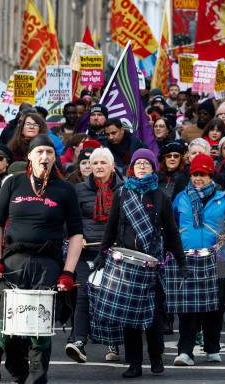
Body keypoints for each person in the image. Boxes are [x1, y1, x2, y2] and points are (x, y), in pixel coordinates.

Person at [0, 134, 84, 383]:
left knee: (38, 329)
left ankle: (37, 377)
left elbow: (75, 234)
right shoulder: (13, 183)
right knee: (3, 331)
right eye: (40, 152)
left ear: (55, 158)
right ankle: (18, 372)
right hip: (12, 262)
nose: (45, 157)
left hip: (47, 264)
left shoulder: (65, 190)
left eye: (50, 153)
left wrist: (68, 272)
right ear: (30, 156)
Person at [93, 149, 188, 378]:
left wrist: (181, 261)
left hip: (152, 263)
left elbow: (172, 232)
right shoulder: (122, 193)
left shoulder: (161, 196)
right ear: (132, 168)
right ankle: (134, 363)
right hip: (126, 263)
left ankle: (156, 358)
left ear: (153, 167)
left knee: (153, 316)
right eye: (138, 164)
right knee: (129, 317)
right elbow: (112, 226)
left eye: (146, 163)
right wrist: (102, 253)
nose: (142, 167)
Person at [171, 153, 225, 366]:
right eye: (194, 174)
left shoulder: (223, 198)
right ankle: (185, 352)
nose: (198, 178)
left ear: (211, 175)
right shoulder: (181, 198)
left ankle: (212, 348)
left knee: (215, 306)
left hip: (216, 258)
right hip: (187, 259)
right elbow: (172, 225)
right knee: (187, 308)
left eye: (202, 174)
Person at [66, 148, 124, 363]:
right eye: (95, 162)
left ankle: (113, 343)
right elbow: (70, 219)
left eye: (103, 163)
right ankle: (78, 341)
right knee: (83, 296)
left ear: (112, 166)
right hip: (85, 250)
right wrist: (75, 236)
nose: (98, 166)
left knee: (111, 298)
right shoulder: (79, 190)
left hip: (114, 252)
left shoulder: (124, 188)